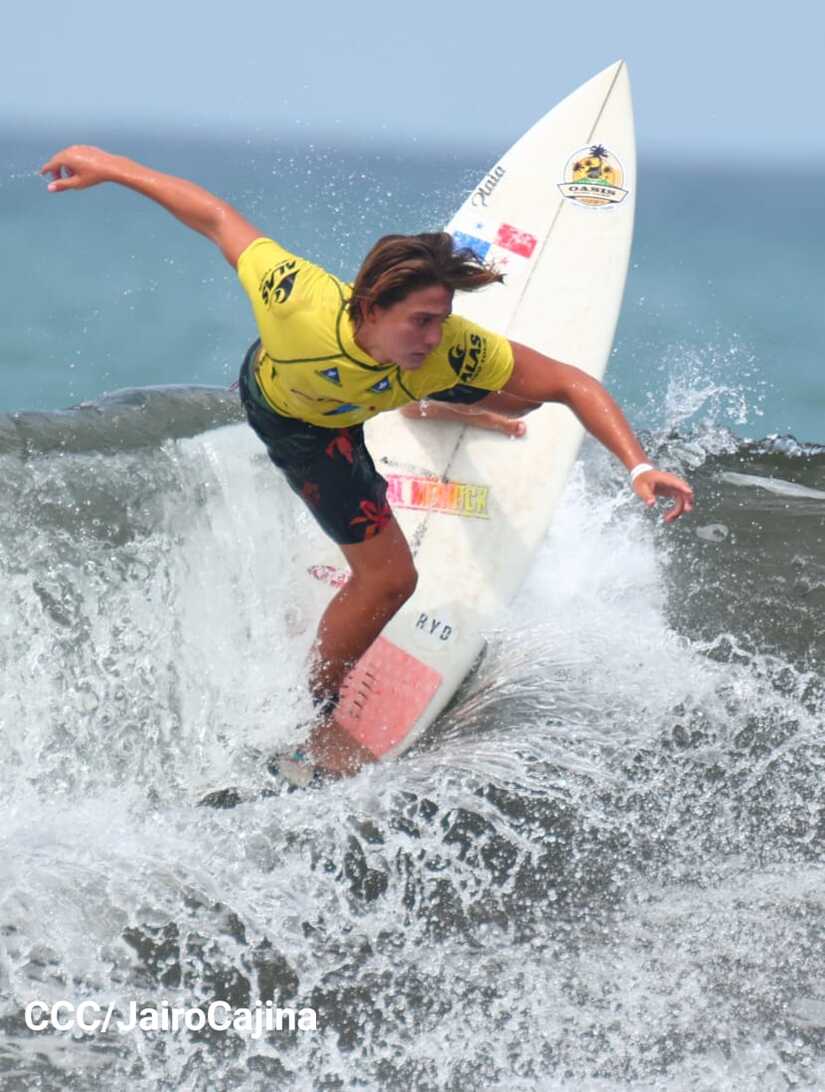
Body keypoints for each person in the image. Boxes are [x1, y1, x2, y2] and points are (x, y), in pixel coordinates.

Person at [41, 145, 695, 784]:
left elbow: (571, 384)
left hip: (380, 384)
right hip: (299, 421)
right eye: (421, 321)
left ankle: (426, 401)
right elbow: (215, 217)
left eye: (442, 319)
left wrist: (639, 467)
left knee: (514, 392)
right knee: (389, 581)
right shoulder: (295, 298)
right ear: (372, 306)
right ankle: (312, 715)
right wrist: (111, 167)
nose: (436, 335)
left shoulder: (445, 348)